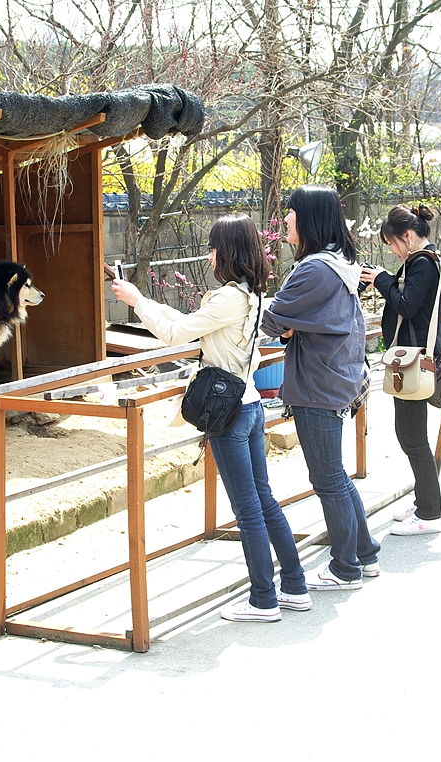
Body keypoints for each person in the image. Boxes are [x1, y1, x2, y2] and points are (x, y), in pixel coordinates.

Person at [112, 214, 309, 622]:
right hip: (251, 405)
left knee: (249, 510)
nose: (210, 254)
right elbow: (188, 325)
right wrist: (146, 302)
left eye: (214, 247)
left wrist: (137, 301)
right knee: (264, 501)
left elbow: (175, 334)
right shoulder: (252, 295)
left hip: (230, 415)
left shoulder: (227, 298)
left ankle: (263, 599)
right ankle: (294, 585)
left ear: (227, 251)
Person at [262, 185, 380, 590]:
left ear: (308, 217)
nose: (285, 220)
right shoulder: (338, 262)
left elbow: (274, 318)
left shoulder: (314, 269)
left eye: (291, 212)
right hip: (334, 377)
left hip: (318, 383)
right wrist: (291, 323)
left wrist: (285, 323)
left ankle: (345, 568)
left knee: (328, 479)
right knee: (337, 476)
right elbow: (291, 320)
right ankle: (365, 554)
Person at [360, 203, 441, 536]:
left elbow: (407, 305)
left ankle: (428, 512)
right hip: (414, 357)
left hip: (413, 360)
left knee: (412, 437)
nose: (393, 252)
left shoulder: (423, 263)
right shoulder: (431, 259)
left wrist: (382, 280)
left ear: (408, 236)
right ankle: (424, 500)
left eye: (393, 244)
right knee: (411, 434)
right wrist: (384, 280)